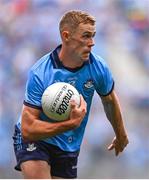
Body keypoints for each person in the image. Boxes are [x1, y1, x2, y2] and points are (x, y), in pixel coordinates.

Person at [13, 10, 129, 179]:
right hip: (35, 140)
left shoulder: (98, 67)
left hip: (68, 145)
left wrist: (121, 134)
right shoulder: (40, 72)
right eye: (86, 36)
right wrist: (70, 123)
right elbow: (28, 129)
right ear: (66, 36)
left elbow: (109, 100)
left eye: (93, 36)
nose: (92, 43)